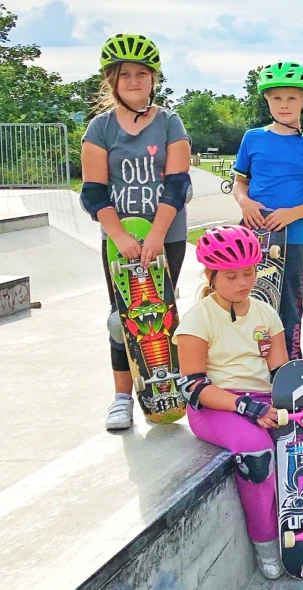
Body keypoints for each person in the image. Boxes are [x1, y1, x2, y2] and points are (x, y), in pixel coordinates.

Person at [81, 33, 191, 430]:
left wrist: (158, 235)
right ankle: (122, 398)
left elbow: (177, 184)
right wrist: (120, 237)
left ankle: (172, 386)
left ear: (153, 79)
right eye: (124, 74)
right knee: (121, 319)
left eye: (141, 74)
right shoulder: (100, 128)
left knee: (162, 315)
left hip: (168, 234)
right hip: (119, 239)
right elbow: (93, 192)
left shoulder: (169, 122)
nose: (133, 80)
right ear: (112, 80)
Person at [174, 225, 288, 579]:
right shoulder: (198, 318)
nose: (243, 282)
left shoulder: (266, 313)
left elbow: (280, 368)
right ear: (210, 275)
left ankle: (302, 528)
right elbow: (192, 386)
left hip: (262, 400)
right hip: (216, 406)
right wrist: (244, 408)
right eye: (231, 276)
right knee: (256, 455)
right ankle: (265, 542)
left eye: (250, 272)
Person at [232, 61, 303, 360]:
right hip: (254, 236)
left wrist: (292, 213)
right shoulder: (253, 138)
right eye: (277, 97)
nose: (284, 104)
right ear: (266, 100)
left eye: (292, 97)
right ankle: (249, 365)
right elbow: (240, 182)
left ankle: (289, 366)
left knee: (290, 307)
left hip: (296, 238)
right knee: (249, 302)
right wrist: (244, 201)